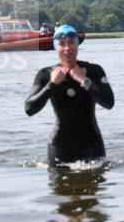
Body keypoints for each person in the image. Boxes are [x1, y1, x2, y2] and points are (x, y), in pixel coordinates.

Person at [25, 25, 115, 165]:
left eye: (72, 43)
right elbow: (29, 109)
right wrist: (52, 84)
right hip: (59, 146)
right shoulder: (46, 74)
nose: (67, 48)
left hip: (91, 144)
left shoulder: (93, 71)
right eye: (62, 44)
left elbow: (109, 103)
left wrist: (84, 81)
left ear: (77, 44)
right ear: (55, 47)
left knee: (97, 176)